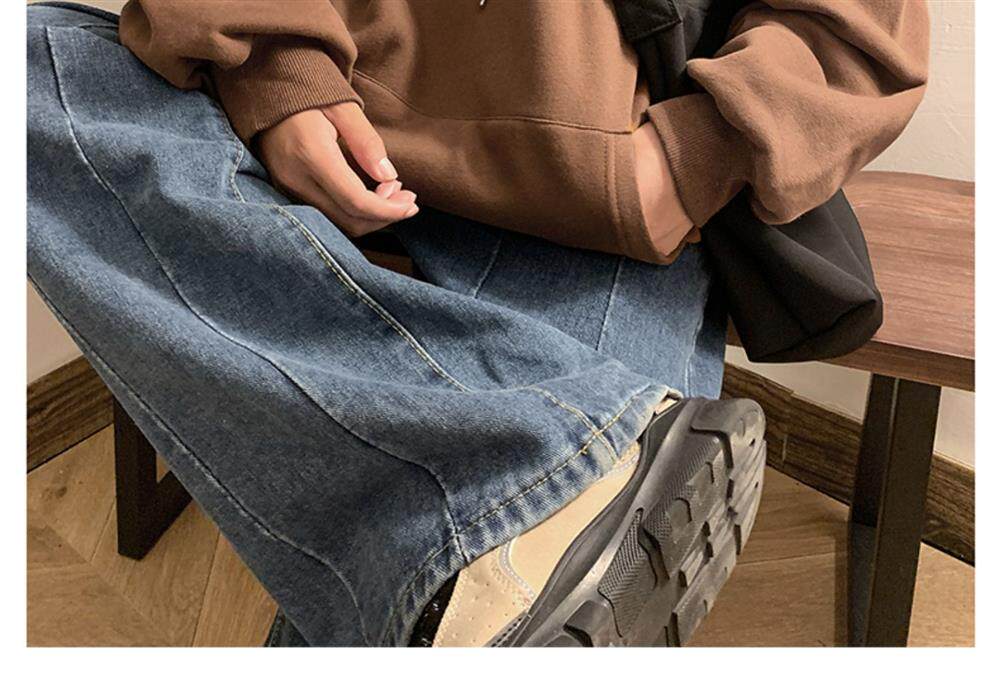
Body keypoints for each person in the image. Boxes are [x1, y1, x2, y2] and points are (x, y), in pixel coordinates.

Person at [26, 0, 929, 647]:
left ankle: (522, 489)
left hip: (592, 216)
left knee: (462, 593)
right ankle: (545, 469)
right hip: (308, 138)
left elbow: (862, 20)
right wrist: (278, 66)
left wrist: (688, 158)